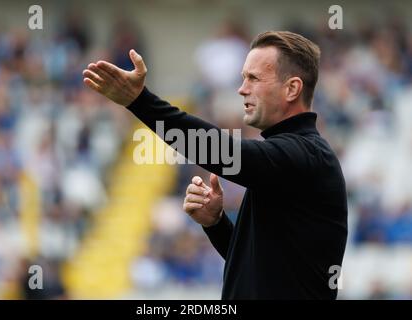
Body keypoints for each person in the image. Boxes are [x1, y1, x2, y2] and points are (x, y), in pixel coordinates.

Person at [82, 31, 348, 300]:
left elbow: (220, 151)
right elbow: (256, 268)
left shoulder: (307, 155)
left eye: (253, 78)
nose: (242, 88)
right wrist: (216, 224)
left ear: (292, 88)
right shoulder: (287, 163)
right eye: (243, 78)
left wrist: (140, 101)